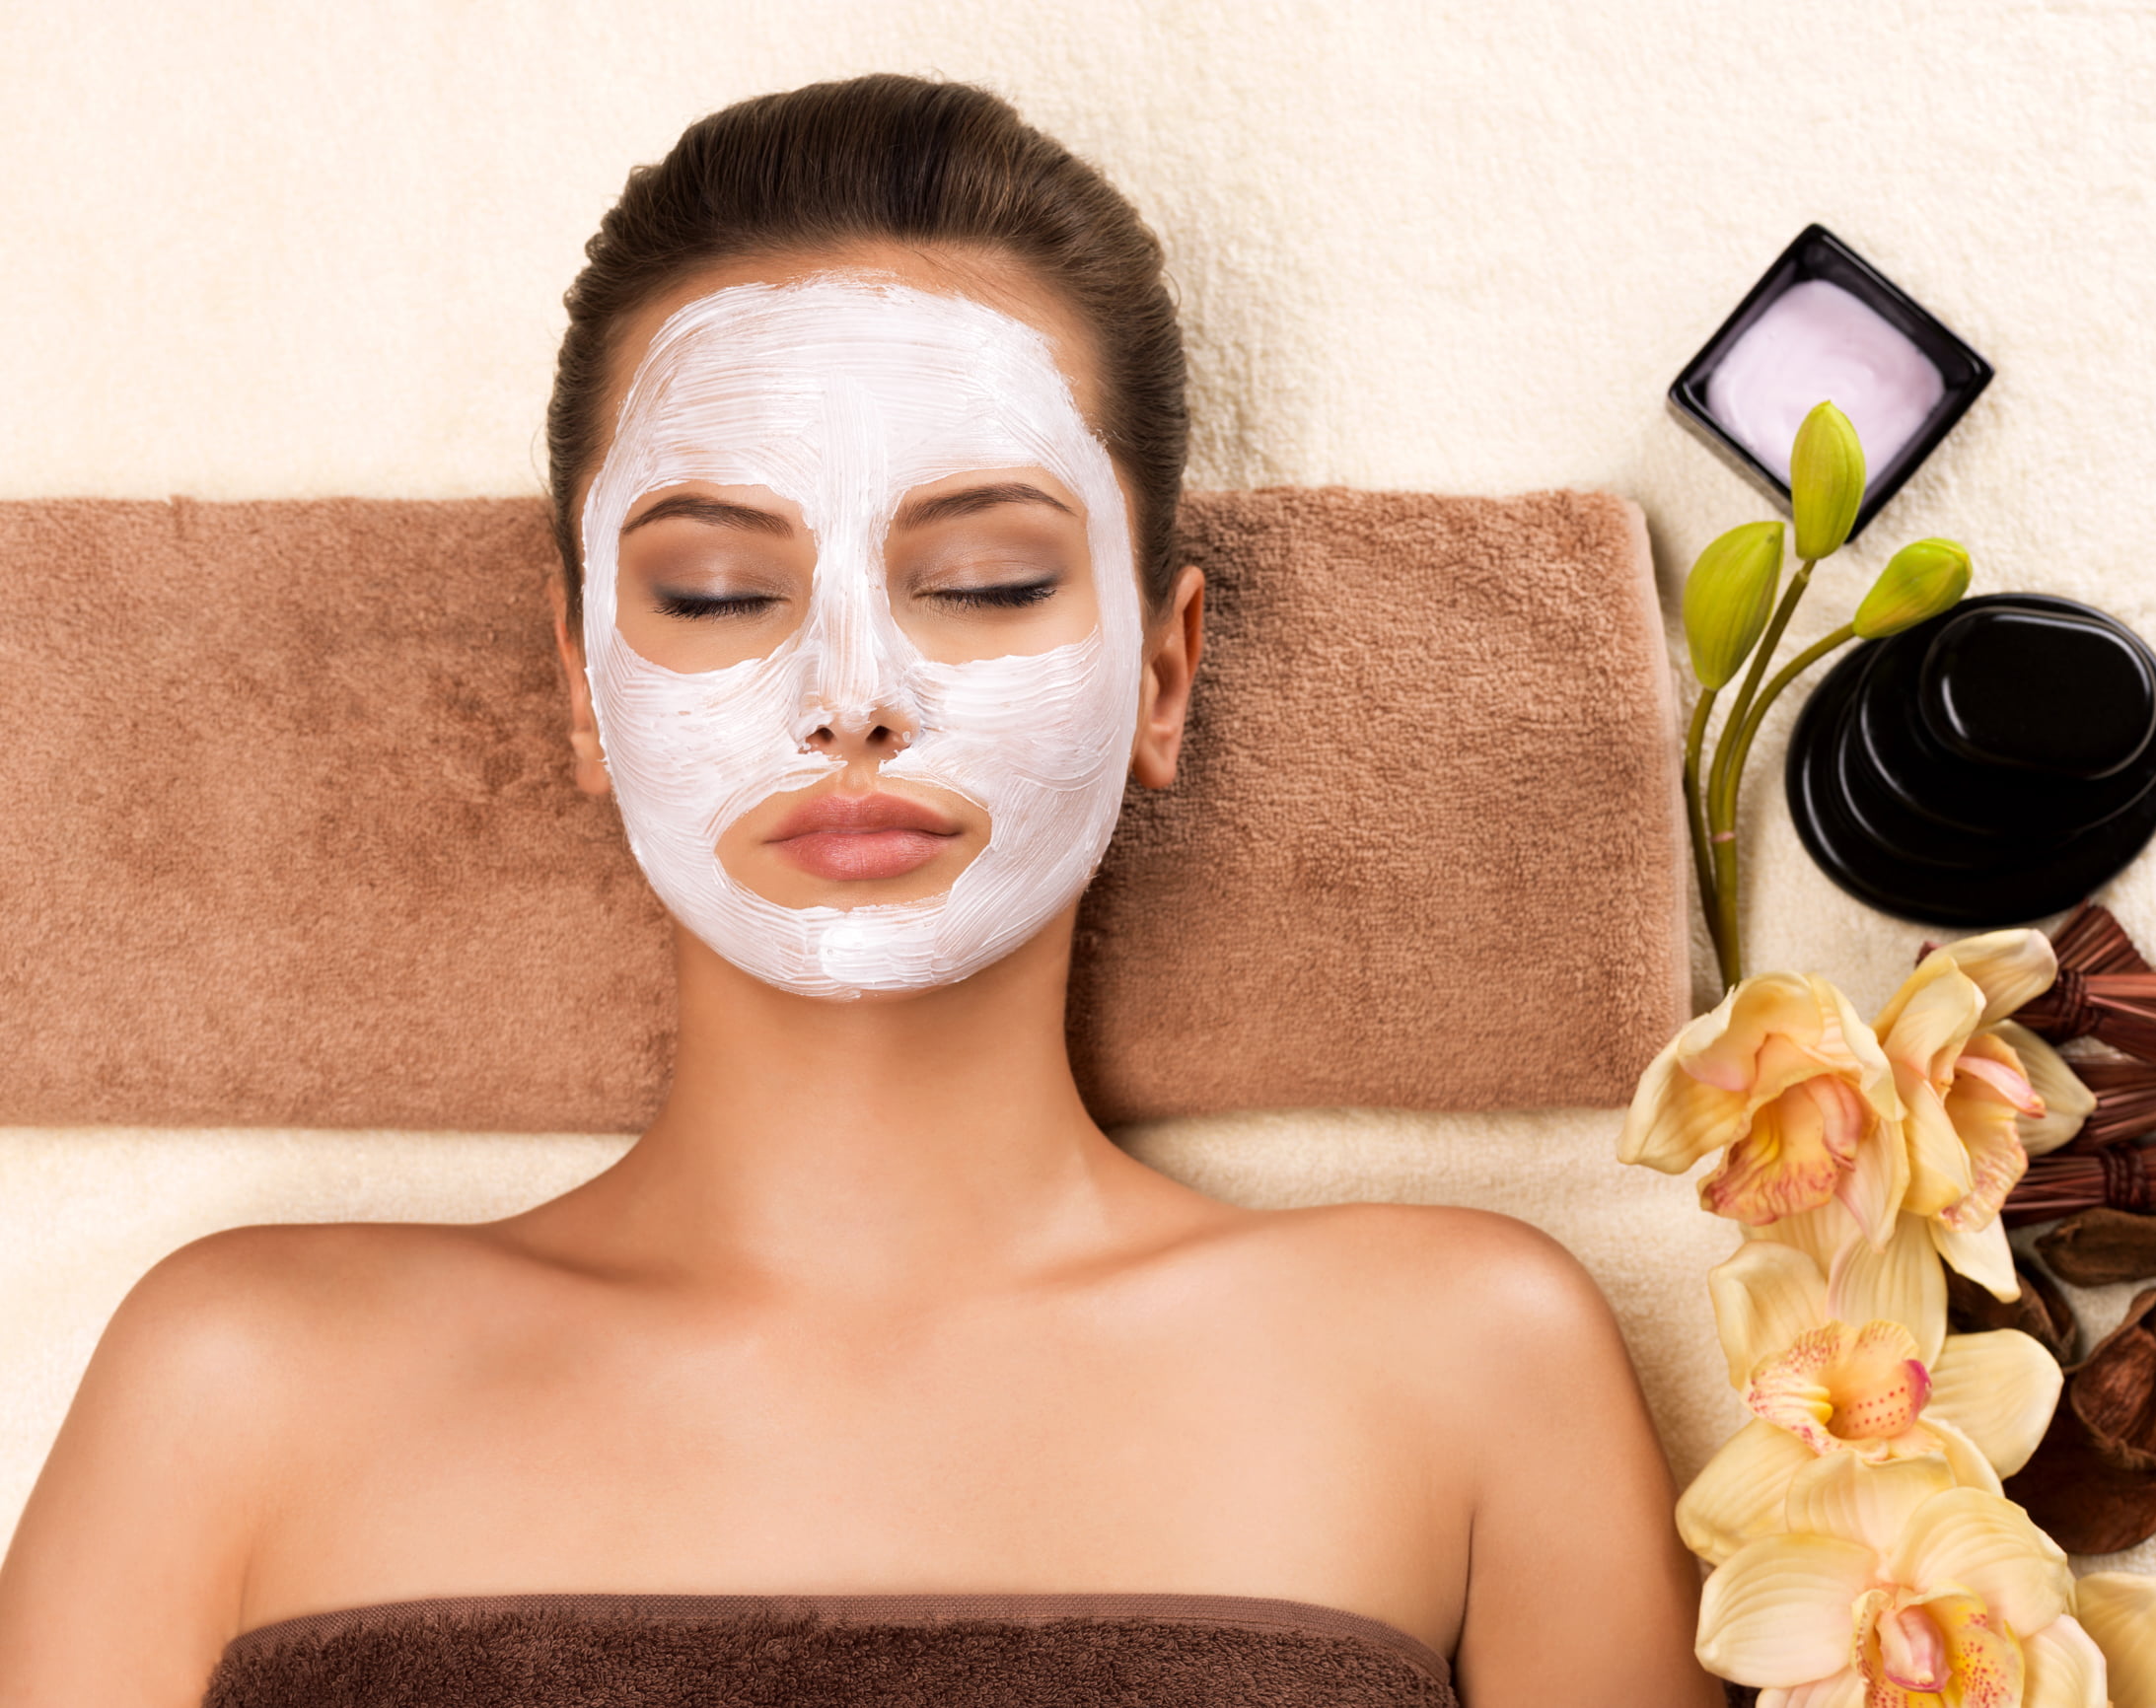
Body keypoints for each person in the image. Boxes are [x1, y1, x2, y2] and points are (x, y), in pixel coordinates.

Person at [0, 76, 1719, 1707]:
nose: (849, 694)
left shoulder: (1462, 1361)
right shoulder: (237, 1380)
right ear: (584, 686)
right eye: (720, 593)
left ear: (1165, 676)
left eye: (981, 579)